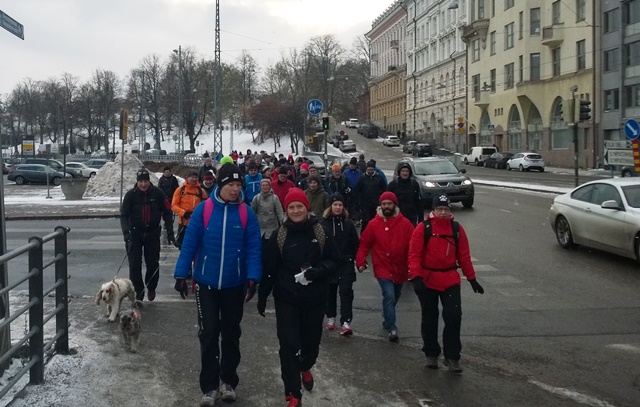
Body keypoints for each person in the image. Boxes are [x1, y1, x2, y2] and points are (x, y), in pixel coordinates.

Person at [173, 163, 262, 406]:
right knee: (209, 333)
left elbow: (254, 248)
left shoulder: (246, 213)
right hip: (206, 283)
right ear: (221, 185)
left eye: (238, 185)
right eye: (230, 184)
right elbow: (189, 244)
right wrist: (181, 275)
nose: (235, 189)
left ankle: (228, 381)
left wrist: (254, 277)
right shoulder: (204, 210)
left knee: (231, 334)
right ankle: (209, 386)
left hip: (235, 283)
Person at [257, 188, 339, 407]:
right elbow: (270, 268)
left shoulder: (320, 231)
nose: (295, 211)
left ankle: (305, 365)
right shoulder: (280, 234)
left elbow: (334, 261)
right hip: (287, 298)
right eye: (291, 207)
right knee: (288, 344)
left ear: (307, 208)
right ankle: (293, 392)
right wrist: (262, 295)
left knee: (311, 344)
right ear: (286, 210)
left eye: (299, 207)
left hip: (315, 298)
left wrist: (318, 271)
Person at [408, 194, 484, 374]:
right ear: (433, 210)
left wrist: (472, 279)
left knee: (453, 317)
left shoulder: (457, 229)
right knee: (430, 318)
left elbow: (464, 256)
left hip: (450, 279)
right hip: (428, 279)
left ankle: (452, 357)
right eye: (439, 209)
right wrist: (416, 277)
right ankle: (431, 354)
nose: (443, 212)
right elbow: (414, 255)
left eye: (446, 209)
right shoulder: (423, 228)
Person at [355, 191, 414, 342]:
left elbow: (414, 247)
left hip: (400, 268)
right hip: (382, 267)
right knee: (389, 295)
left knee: (394, 296)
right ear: (380, 206)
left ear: (395, 205)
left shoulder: (406, 224)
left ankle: (387, 318)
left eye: (389, 203)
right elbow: (364, 244)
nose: (386, 206)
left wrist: (413, 268)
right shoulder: (374, 224)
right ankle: (392, 328)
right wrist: (361, 261)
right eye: (384, 204)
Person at [120, 169, 175, 302]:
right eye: (140, 182)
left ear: (149, 181)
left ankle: (151, 287)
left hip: (152, 234)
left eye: (145, 181)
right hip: (135, 235)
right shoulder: (130, 195)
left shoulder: (158, 193)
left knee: (152, 264)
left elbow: (167, 212)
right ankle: (138, 292)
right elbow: (124, 215)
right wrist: (126, 233)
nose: (143, 184)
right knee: (134, 266)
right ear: (137, 182)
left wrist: (170, 232)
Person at [320, 194, 359, 335]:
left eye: (340, 205)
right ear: (330, 206)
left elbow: (355, 244)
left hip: (346, 263)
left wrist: (357, 260)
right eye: (335, 205)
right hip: (330, 264)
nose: (337, 207)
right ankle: (330, 317)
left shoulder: (348, 224)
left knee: (346, 292)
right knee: (330, 292)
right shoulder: (323, 224)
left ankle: (346, 321)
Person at [171, 170, 207, 249]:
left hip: (197, 223)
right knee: (183, 246)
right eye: (192, 177)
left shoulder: (202, 191)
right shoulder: (180, 190)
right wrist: (184, 213)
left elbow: (206, 207)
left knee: (197, 246)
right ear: (187, 178)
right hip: (184, 223)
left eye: (195, 177)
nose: (194, 179)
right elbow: (174, 205)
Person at [354, 160, 386, 232]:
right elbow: (357, 191)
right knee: (366, 222)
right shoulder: (362, 178)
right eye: (369, 169)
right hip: (365, 204)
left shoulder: (379, 178)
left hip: (376, 204)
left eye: (372, 169)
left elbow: (384, 190)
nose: (370, 171)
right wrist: (357, 203)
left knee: (375, 221)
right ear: (366, 169)